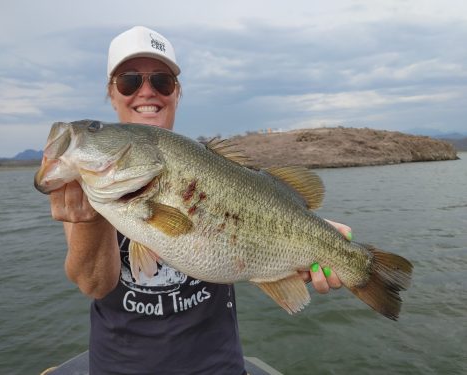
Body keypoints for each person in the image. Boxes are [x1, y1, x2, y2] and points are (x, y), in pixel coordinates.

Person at [49, 26, 351, 375]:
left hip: (216, 366)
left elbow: (265, 217)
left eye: (161, 82)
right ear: (112, 94)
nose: (146, 92)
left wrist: (313, 241)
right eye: (129, 81)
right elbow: (93, 284)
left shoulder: (205, 161)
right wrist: (89, 220)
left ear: (176, 93)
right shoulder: (85, 181)